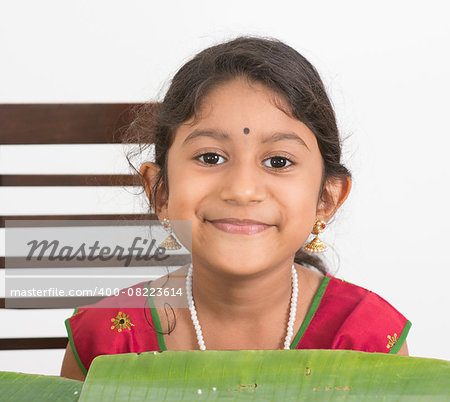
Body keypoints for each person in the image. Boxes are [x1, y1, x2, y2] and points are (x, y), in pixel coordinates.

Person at [60, 36, 411, 382]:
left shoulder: (366, 338)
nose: (242, 191)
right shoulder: (108, 337)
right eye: (210, 157)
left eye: (278, 161)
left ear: (326, 200)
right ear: (160, 190)